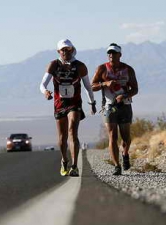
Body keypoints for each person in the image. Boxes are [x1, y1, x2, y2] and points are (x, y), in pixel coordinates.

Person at [40, 39, 96, 177]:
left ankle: (75, 166)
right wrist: (45, 92)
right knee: (62, 136)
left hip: (74, 104)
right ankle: (64, 160)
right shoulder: (53, 65)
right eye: (63, 50)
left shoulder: (80, 66)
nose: (65, 52)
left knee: (72, 131)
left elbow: (88, 87)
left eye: (68, 49)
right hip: (59, 105)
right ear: (58, 51)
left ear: (72, 50)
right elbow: (42, 84)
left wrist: (92, 103)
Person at [91, 43, 138, 175]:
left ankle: (125, 153)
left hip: (125, 106)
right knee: (112, 136)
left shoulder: (128, 69)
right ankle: (117, 165)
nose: (111, 55)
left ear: (120, 55)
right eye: (109, 53)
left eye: (114, 53)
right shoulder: (102, 69)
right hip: (109, 107)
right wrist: (105, 83)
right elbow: (92, 86)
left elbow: (135, 89)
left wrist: (125, 95)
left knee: (126, 137)